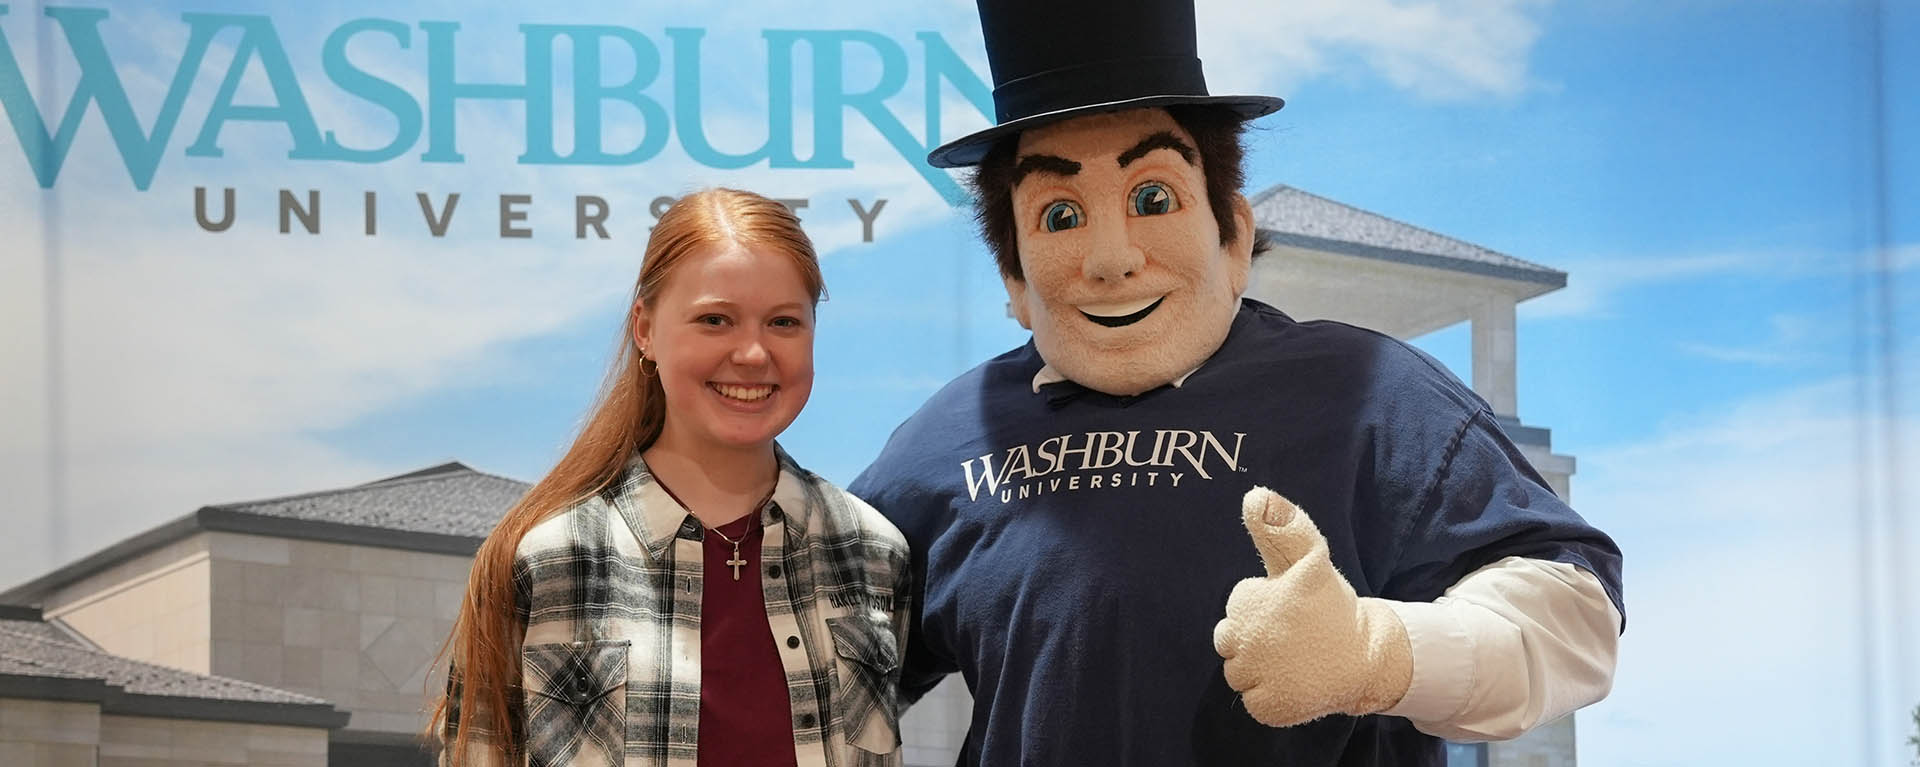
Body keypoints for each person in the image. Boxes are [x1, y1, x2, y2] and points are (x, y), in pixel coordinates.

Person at [847, 1, 1625, 765]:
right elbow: (817, 644)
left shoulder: (1367, 391)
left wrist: (1377, 650)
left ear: (1234, 234)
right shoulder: (950, 436)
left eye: (1154, 198)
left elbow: (1574, 614)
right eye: (1058, 216)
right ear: (1013, 277)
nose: (1111, 257)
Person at [429, 188, 910, 767]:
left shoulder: (875, 552)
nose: (754, 353)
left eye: (784, 322)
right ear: (645, 330)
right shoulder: (546, 559)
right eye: (715, 320)